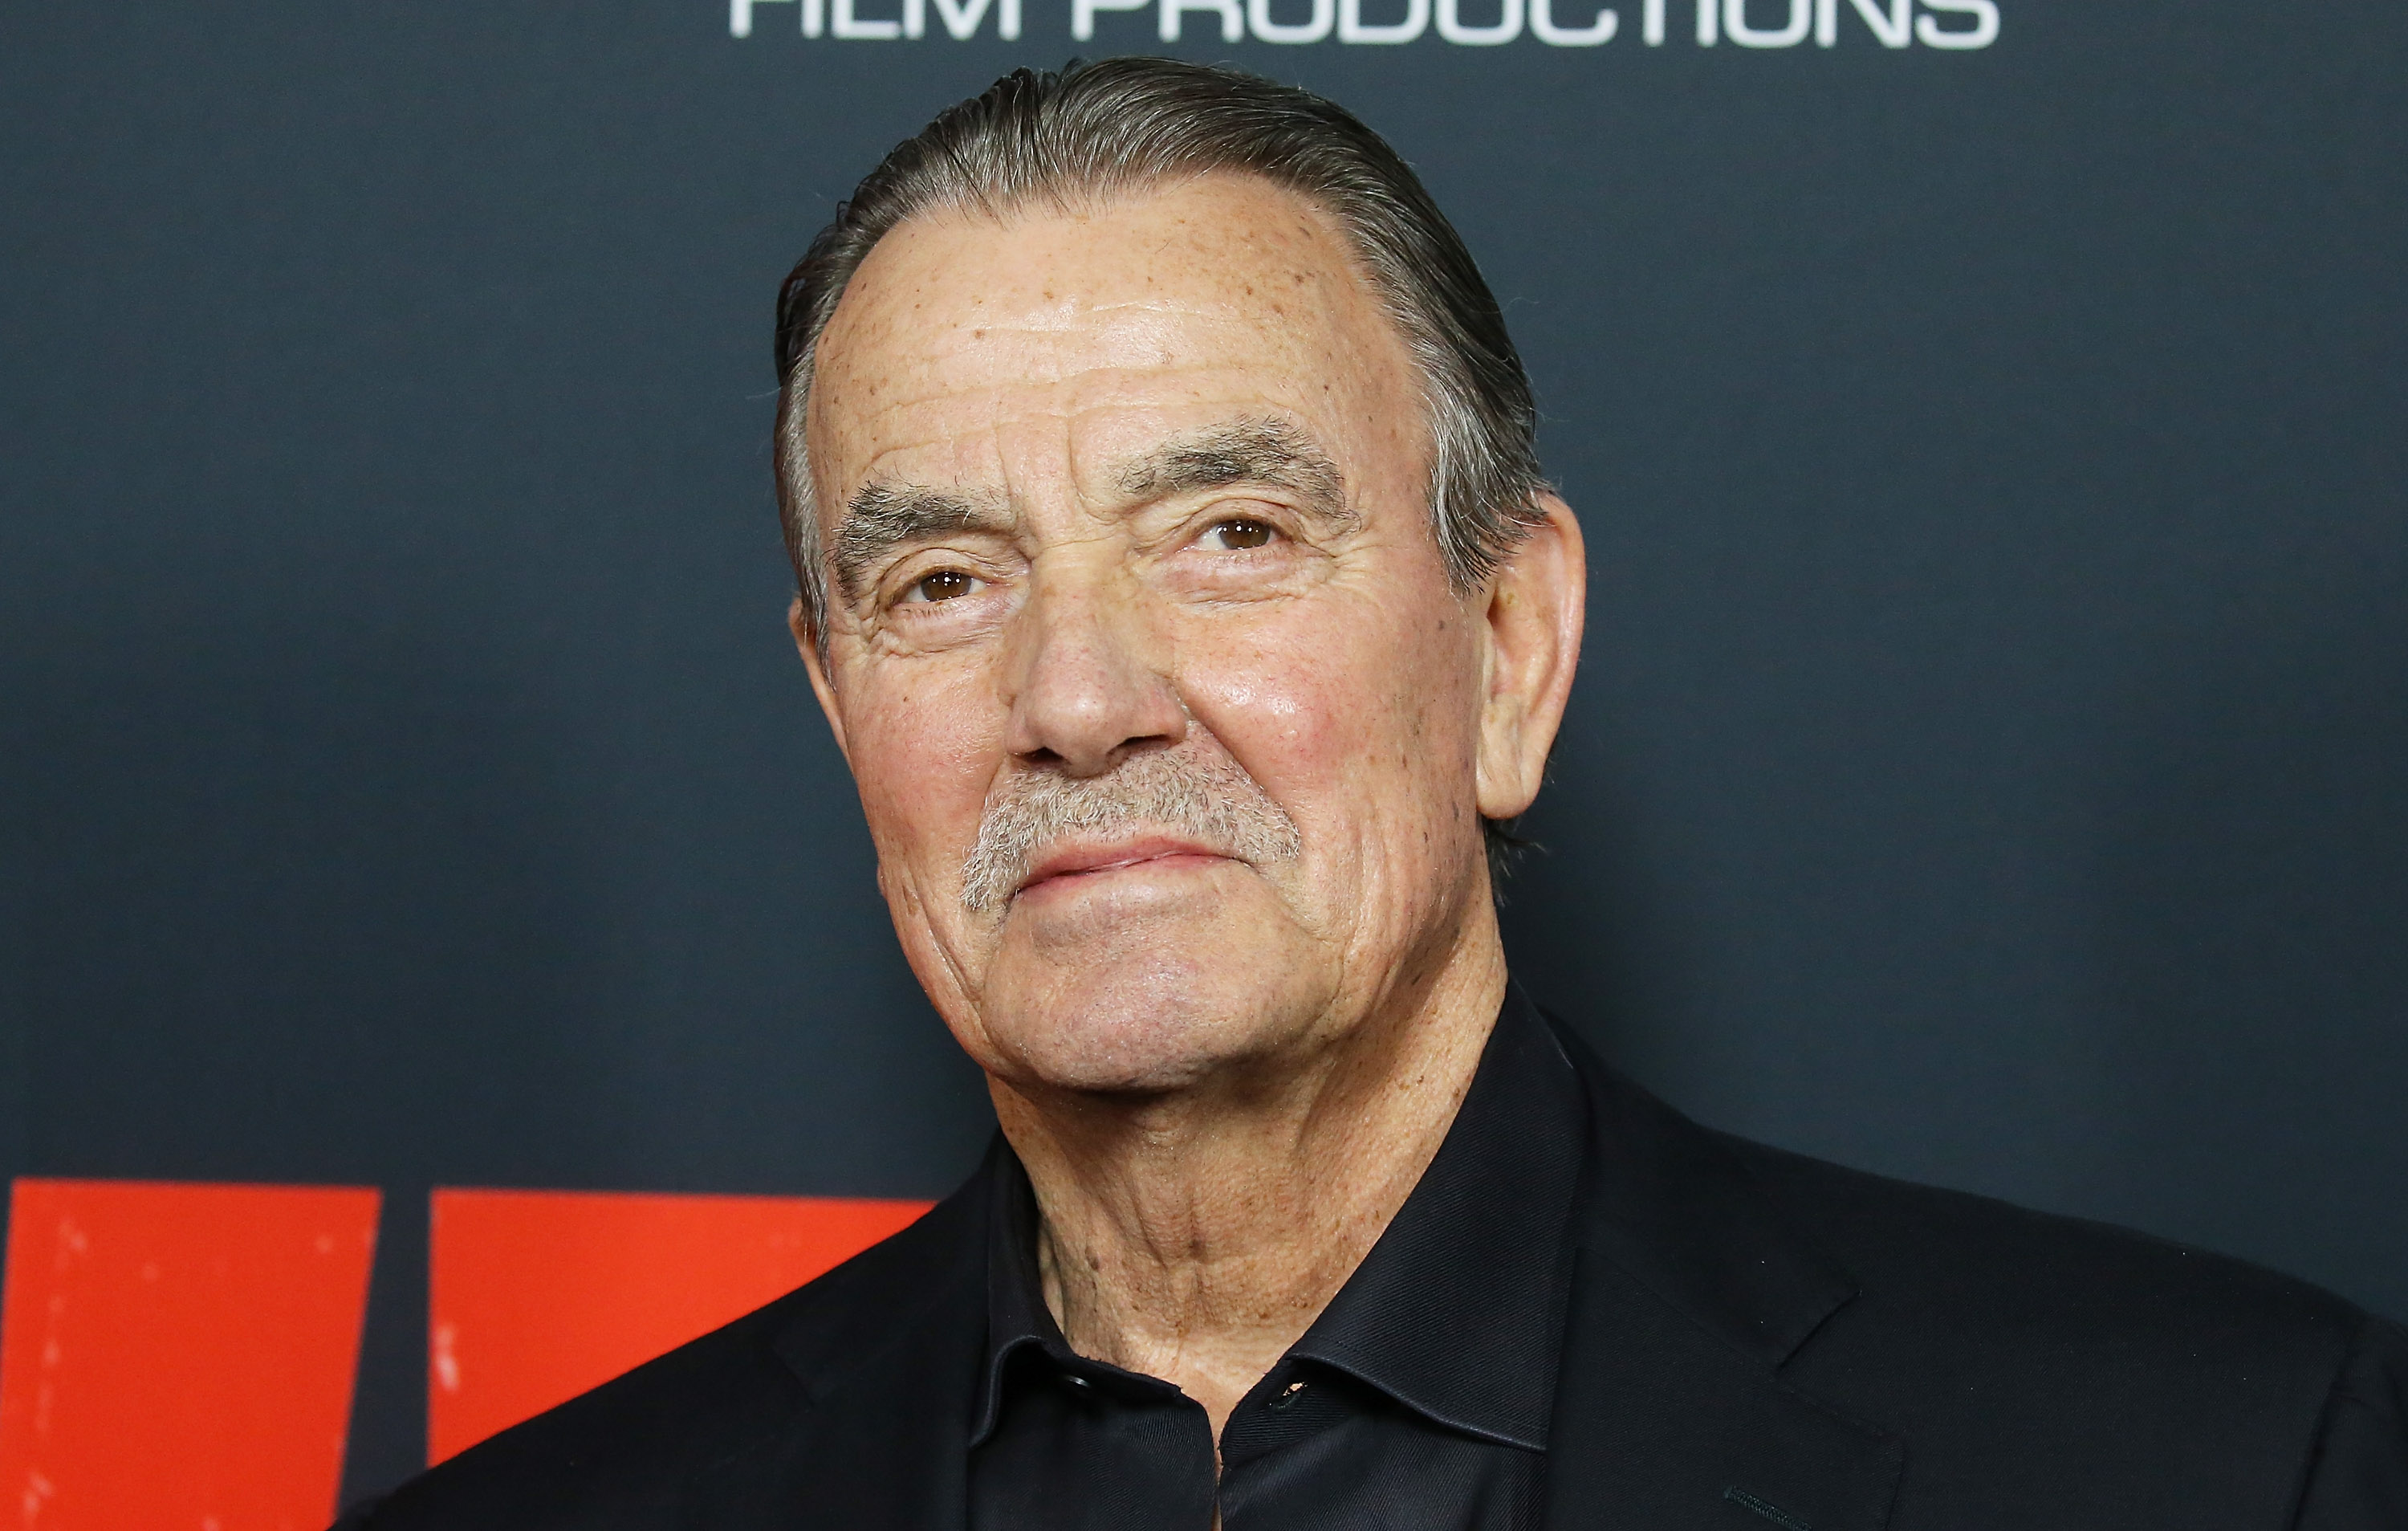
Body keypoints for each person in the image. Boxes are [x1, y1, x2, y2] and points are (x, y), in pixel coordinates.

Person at [339, 56, 2406, 1530]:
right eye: (943, 581)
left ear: (1508, 650)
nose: (1076, 698)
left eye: (1230, 532)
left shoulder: (2213, 1458)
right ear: (835, 703)